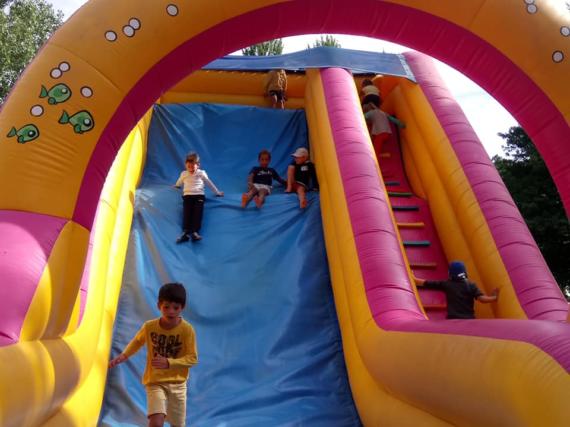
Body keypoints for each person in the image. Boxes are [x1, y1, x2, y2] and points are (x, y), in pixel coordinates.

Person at [108, 283, 198, 427]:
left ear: (182, 308)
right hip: (155, 382)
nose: (171, 311)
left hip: (178, 385)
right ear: (159, 305)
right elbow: (137, 341)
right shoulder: (150, 327)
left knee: (178, 424)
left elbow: (192, 358)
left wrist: (169, 363)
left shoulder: (187, 330)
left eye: (176, 307)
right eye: (166, 306)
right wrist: (123, 356)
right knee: (156, 421)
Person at [416, 261, 500, 319]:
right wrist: (494, 297)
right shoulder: (471, 285)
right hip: (468, 318)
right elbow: (482, 299)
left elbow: (428, 283)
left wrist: (414, 279)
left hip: (453, 319)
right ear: (465, 273)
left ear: (450, 274)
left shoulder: (447, 284)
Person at [174, 152, 223, 243]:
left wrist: (217, 192)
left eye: (193, 166)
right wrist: (176, 186)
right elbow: (179, 182)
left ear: (198, 165)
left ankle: (195, 232)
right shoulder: (184, 174)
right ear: (185, 165)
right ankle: (185, 233)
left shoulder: (201, 173)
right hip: (187, 196)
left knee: (197, 213)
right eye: (189, 166)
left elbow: (209, 183)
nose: (191, 169)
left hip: (199, 196)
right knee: (187, 213)